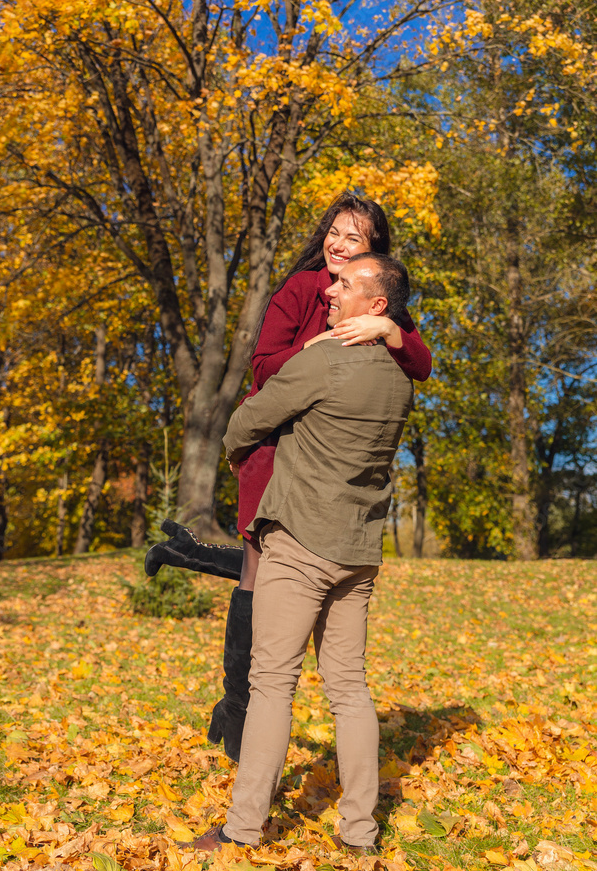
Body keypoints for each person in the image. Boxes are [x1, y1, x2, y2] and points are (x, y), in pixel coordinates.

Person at [145, 191, 430, 760]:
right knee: (259, 569)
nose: (338, 244)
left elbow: (419, 364)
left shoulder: (375, 304)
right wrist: (322, 346)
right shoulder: (302, 290)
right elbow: (263, 366)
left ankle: (187, 554)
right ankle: (239, 713)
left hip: (328, 458)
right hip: (273, 446)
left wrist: (389, 333)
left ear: (372, 253)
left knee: (277, 568)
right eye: (334, 231)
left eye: (354, 238)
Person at [181, 253, 415, 853]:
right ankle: (360, 834)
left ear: (377, 305)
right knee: (349, 689)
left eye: (344, 286)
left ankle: (241, 829)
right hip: (358, 553)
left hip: (300, 545)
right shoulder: (399, 378)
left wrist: (239, 456)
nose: (330, 292)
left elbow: (247, 420)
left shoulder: (327, 361)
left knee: (271, 685)